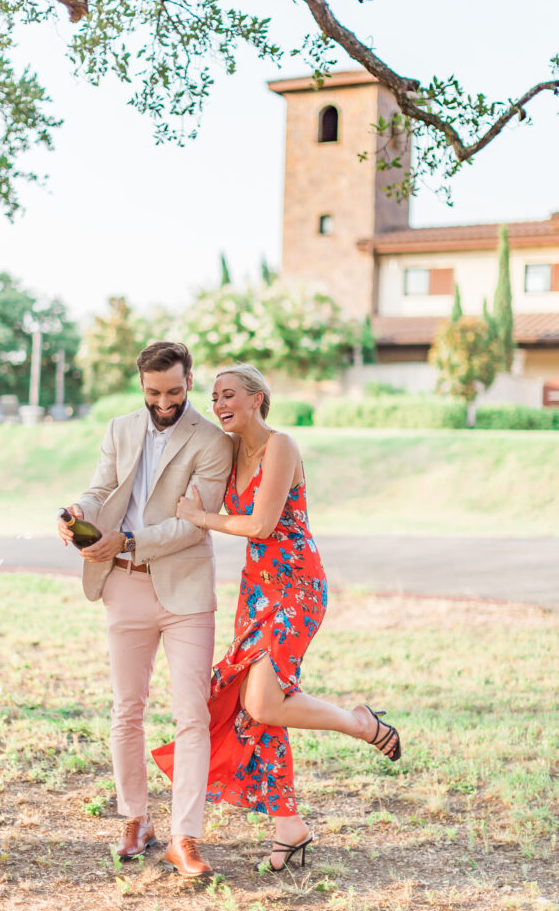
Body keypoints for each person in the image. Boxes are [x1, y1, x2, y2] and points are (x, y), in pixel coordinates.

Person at [153, 364, 401, 872]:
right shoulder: (227, 452)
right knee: (257, 707)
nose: (220, 404)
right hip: (255, 591)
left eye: (230, 395)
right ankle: (289, 825)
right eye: (215, 396)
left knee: (265, 700)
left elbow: (262, 524)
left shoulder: (280, 446)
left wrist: (200, 516)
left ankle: (361, 724)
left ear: (257, 398)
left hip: (296, 585)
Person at [58, 342, 233, 877]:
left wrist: (127, 540)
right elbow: (101, 487)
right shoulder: (119, 428)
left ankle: (186, 836)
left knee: (191, 715)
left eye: (174, 391)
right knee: (126, 709)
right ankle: (136, 819)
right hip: (124, 589)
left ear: (188, 381)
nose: (164, 402)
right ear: (141, 385)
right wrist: (77, 512)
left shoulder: (211, 441)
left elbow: (193, 523)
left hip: (185, 591)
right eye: (154, 392)